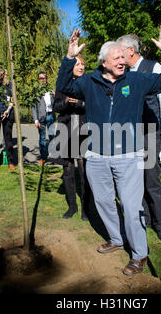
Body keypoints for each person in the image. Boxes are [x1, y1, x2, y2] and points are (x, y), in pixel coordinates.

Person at [56, 24, 161, 276]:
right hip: (96, 155)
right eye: (117, 58)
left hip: (129, 156)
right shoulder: (89, 81)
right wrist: (69, 58)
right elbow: (65, 86)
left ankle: (139, 254)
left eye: (124, 57)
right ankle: (116, 238)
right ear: (103, 62)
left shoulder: (137, 80)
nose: (123, 61)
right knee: (103, 201)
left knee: (132, 207)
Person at [116, 34, 161, 242]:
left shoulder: (153, 67)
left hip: (150, 132)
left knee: (151, 180)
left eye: (119, 50)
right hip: (131, 135)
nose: (117, 54)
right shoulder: (124, 74)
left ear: (130, 51)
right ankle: (145, 220)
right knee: (135, 180)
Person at [53, 55, 89, 220]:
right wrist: (66, 102)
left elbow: (93, 106)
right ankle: (72, 207)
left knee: (83, 171)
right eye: (77, 64)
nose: (81, 67)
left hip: (82, 129)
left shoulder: (88, 83)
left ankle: (86, 209)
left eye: (82, 64)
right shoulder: (62, 84)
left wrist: (79, 104)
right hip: (66, 130)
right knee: (67, 170)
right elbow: (56, 107)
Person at [32, 72, 55, 166]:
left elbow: (57, 101)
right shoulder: (35, 91)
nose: (42, 80)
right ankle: (43, 158)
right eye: (40, 78)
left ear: (46, 78)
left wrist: (55, 94)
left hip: (51, 115)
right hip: (41, 117)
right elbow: (33, 106)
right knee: (42, 138)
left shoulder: (51, 89)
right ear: (38, 79)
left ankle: (53, 157)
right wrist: (35, 120)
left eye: (44, 78)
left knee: (52, 137)